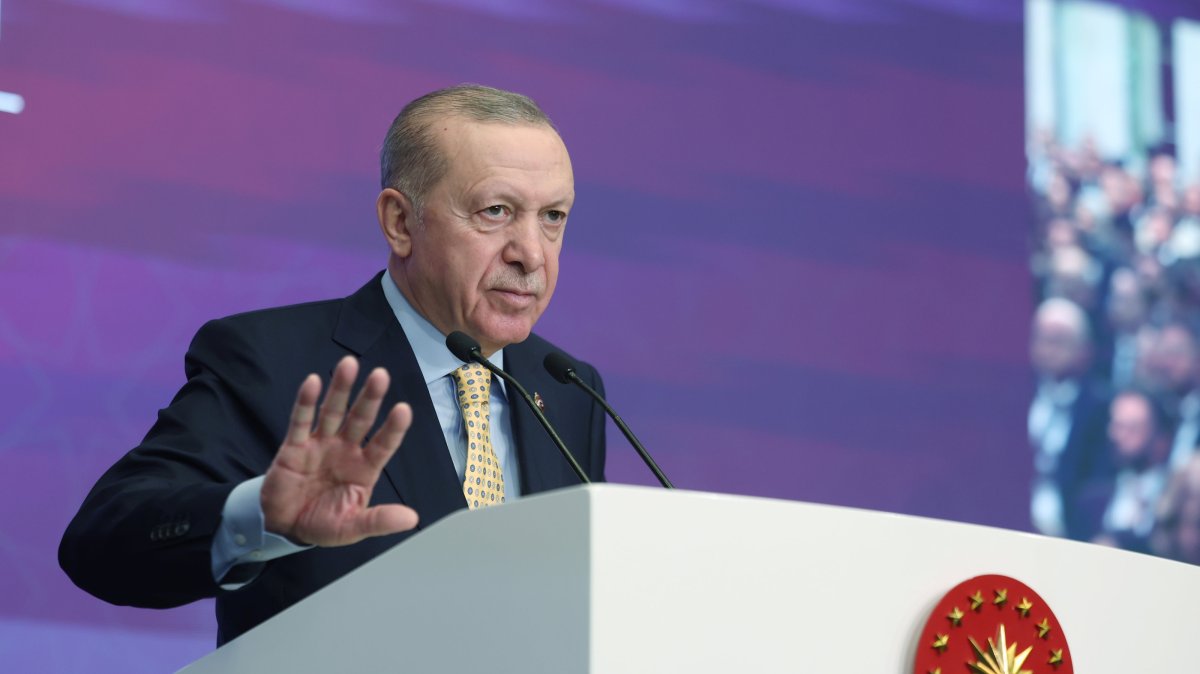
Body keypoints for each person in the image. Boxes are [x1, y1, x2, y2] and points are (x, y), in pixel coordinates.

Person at [58, 84, 607, 645]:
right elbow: (104, 538)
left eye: (553, 216)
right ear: (399, 222)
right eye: (496, 211)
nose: (532, 253)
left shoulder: (564, 386)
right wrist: (261, 518)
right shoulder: (275, 362)